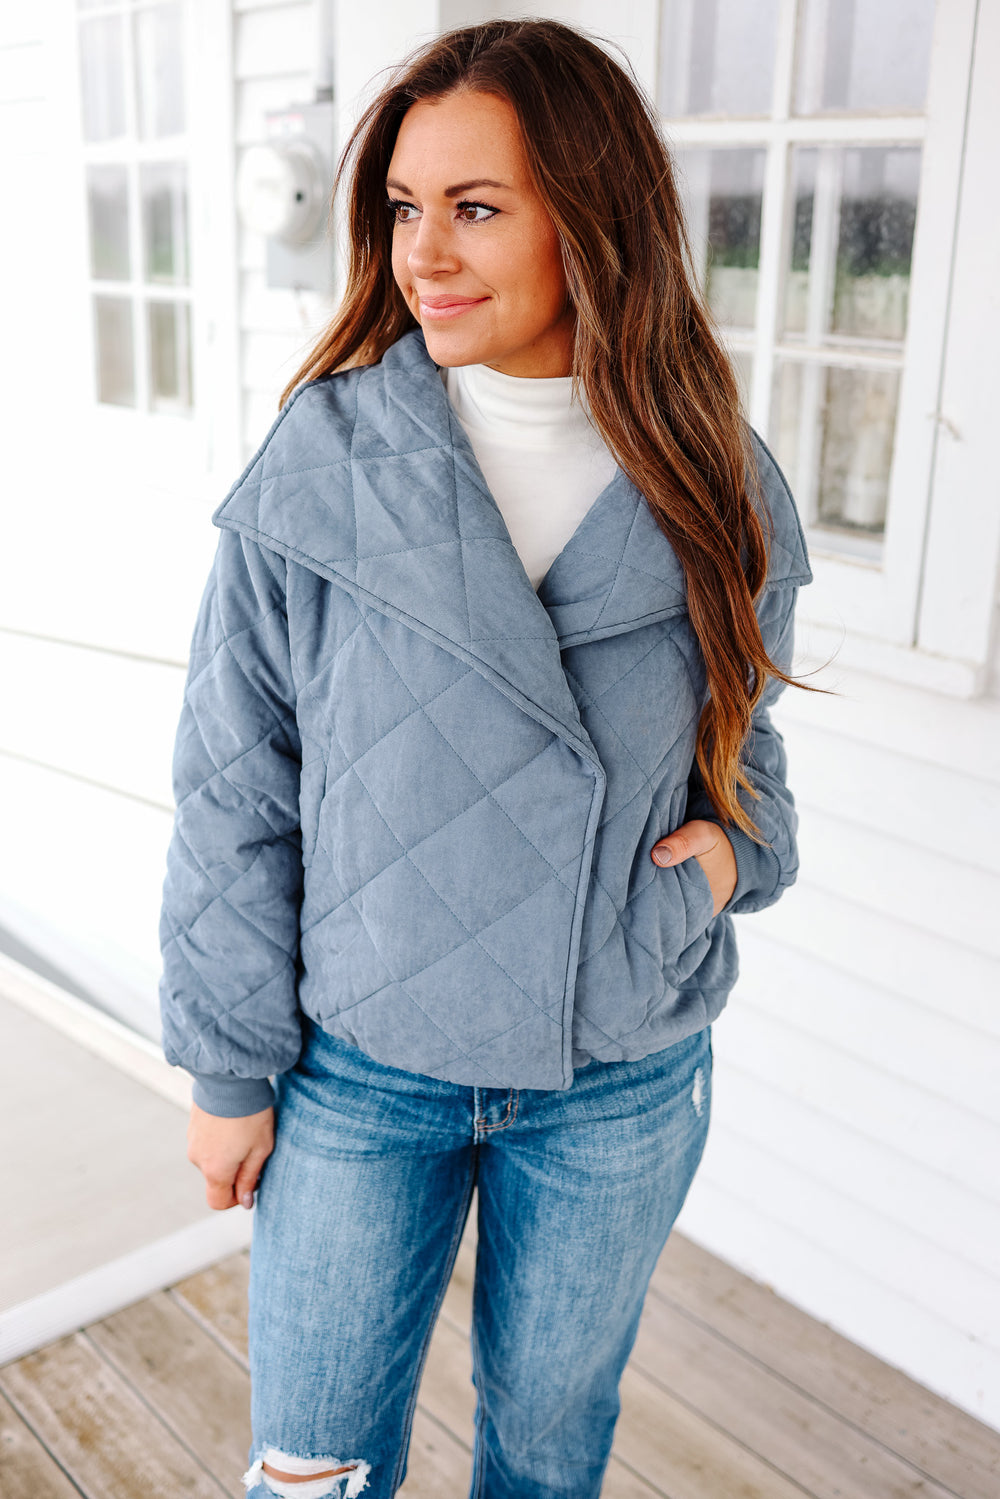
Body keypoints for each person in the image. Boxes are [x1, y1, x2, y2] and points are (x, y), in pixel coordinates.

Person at [159, 18, 811, 1499]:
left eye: (474, 208)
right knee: (311, 1465)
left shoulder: (717, 481)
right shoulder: (324, 463)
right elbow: (235, 787)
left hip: (616, 1066)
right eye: (404, 208)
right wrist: (227, 1065)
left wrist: (731, 855)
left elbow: (750, 748)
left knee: (548, 1449)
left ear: (594, 215)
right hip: (362, 1065)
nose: (424, 255)